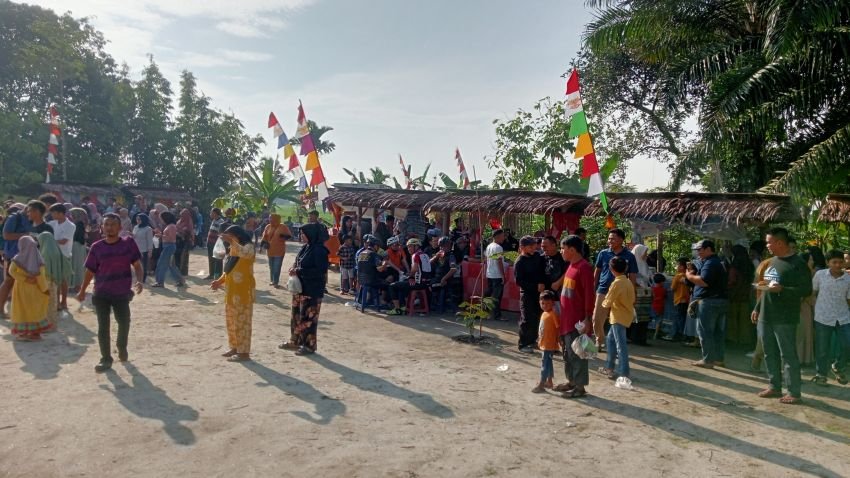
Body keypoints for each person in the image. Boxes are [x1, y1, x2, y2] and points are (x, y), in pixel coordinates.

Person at [751, 227, 812, 404]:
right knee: (769, 353)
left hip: (785, 317)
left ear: (779, 242)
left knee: (788, 354)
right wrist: (756, 307)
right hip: (766, 315)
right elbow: (766, 289)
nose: (767, 245)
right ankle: (774, 386)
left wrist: (783, 290)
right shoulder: (771, 262)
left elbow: (806, 290)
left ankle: (794, 392)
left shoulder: (798, 264)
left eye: (769, 242)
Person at [77, 213, 144, 373]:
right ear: (102, 227)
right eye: (106, 224)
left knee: (124, 322)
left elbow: (137, 265)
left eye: (113, 224)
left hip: (121, 292)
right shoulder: (96, 247)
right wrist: (82, 289)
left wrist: (140, 280)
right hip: (101, 292)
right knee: (103, 327)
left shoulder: (128, 244)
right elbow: (90, 270)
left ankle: (121, 347)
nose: (109, 227)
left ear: (120, 227)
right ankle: (105, 358)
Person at [555, 235, 594, 398]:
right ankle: (571, 381)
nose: (561, 251)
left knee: (578, 353)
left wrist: (587, 319)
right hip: (566, 318)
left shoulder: (584, 267)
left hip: (577, 321)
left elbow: (589, 295)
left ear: (572, 250)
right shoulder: (571, 266)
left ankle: (580, 387)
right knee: (567, 352)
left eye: (563, 248)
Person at [210, 226, 256, 362]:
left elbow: (244, 254)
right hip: (231, 292)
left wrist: (232, 241)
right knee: (232, 321)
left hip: (243, 292)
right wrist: (219, 281)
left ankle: (244, 353)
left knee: (243, 323)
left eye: (231, 236)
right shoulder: (233, 248)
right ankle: (235, 347)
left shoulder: (248, 247)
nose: (228, 240)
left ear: (238, 235)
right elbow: (229, 269)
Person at [685, 239, 729, 369]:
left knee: (705, 331)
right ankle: (718, 359)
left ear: (708, 249)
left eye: (700, 249)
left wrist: (689, 276)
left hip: (710, 301)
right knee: (717, 332)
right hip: (720, 300)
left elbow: (704, 281)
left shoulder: (711, 263)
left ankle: (708, 359)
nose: (698, 252)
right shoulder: (718, 262)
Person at [288, 223, 330, 355]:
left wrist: (299, 271)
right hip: (301, 288)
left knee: (308, 319)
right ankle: (295, 341)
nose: (301, 236)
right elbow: (298, 262)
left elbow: (320, 270)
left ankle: (308, 345)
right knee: (296, 316)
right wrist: (293, 268)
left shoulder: (319, 250)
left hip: (312, 290)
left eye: (303, 233)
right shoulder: (306, 248)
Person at [592, 229, 638, 348]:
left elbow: (632, 276)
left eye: (613, 238)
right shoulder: (603, 253)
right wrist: (593, 287)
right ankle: (599, 340)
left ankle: (615, 346)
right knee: (597, 319)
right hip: (602, 290)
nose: (610, 241)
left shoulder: (629, 256)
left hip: (620, 292)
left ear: (621, 240)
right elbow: (597, 271)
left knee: (618, 320)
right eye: (609, 238)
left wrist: (632, 294)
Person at [811, 249, 850, 386]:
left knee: (847, 345)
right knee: (822, 349)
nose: (838, 265)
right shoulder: (820, 275)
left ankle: (838, 367)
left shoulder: (848, 279)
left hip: (843, 317)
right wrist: (816, 309)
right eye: (834, 262)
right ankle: (821, 374)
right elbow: (813, 292)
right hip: (823, 317)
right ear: (828, 263)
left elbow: (849, 299)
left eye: (841, 262)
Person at [600, 256, 635, 380]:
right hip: (624, 315)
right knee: (610, 341)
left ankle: (624, 373)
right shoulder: (627, 281)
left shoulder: (617, 283)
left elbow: (608, 301)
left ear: (611, 269)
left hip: (618, 317)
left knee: (621, 346)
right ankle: (609, 368)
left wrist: (602, 306)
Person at [8, 236, 50, 341]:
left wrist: (24, 279)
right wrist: (45, 289)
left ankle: (26, 333)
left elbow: (11, 272)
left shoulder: (17, 258)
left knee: (22, 309)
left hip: (20, 289)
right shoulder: (38, 260)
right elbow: (41, 277)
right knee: (34, 309)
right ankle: (35, 333)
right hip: (35, 290)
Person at [515, 235, 545, 352]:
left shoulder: (537, 256)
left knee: (537, 317)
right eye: (530, 246)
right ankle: (523, 344)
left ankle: (533, 340)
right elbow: (519, 281)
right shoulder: (520, 262)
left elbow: (542, 271)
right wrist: (534, 286)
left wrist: (542, 283)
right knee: (526, 319)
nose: (534, 248)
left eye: (534, 246)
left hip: (539, 293)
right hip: (527, 294)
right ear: (522, 247)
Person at [387, 238, 432, 315]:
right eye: (408, 247)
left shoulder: (415, 255)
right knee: (403, 285)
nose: (408, 249)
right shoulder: (425, 255)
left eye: (410, 246)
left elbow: (415, 269)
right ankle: (405, 306)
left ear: (416, 246)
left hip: (418, 284)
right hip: (426, 283)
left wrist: (410, 276)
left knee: (392, 286)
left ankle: (397, 309)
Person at [0, 203, 31, 316]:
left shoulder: (33, 220)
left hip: (27, 255)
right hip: (13, 255)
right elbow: (6, 235)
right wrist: (25, 235)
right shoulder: (14, 218)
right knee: (9, 281)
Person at [37, 232, 70, 330]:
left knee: (46, 304)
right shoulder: (56, 249)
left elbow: (44, 270)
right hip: (54, 281)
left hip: (46, 281)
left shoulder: (45, 252)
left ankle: (46, 326)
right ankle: (52, 325)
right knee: (52, 303)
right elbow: (66, 266)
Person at [47, 203, 75, 310]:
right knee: (54, 280)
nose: (52, 215)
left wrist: (49, 240)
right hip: (53, 255)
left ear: (60, 213)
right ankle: (56, 302)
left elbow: (63, 241)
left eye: (53, 213)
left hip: (64, 255)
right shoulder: (52, 223)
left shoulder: (70, 225)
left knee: (63, 280)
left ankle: (64, 302)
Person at [726, 244, 755, 346]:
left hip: (735, 296)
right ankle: (745, 340)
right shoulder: (750, 264)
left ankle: (733, 339)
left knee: (733, 319)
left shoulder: (734, 265)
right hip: (746, 295)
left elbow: (732, 281)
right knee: (745, 320)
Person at [532, 290, 560, 393]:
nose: (545, 305)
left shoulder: (553, 314)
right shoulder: (544, 313)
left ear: (553, 303)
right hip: (544, 343)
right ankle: (549, 381)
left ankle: (541, 384)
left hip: (549, 344)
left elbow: (558, 328)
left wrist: (558, 340)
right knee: (548, 362)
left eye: (548, 303)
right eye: (543, 303)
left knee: (545, 363)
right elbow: (542, 328)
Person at [152, 211, 186, 288]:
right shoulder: (170, 226)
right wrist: (161, 234)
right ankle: (180, 280)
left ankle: (159, 282)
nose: (161, 220)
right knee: (171, 265)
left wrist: (160, 235)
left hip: (169, 246)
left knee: (161, 264)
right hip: (168, 246)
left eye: (162, 218)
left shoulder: (171, 226)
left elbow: (171, 238)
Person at [261, 214, 292, 288]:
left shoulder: (283, 227)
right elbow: (264, 237)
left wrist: (283, 237)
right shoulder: (268, 226)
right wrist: (262, 246)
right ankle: (272, 280)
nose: (269, 220)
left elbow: (289, 236)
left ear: (276, 219)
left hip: (279, 251)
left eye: (271, 218)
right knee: (271, 267)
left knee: (277, 267)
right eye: (269, 218)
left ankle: (276, 282)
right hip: (270, 250)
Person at [663, 258, 690, 341]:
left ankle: (676, 334)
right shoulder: (688, 275)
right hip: (686, 300)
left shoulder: (678, 276)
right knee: (682, 318)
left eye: (677, 265)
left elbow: (673, 288)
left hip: (679, 300)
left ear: (682, 267)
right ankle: (682, 334)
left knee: (677, 318)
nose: (676, 266)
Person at [430, 236, 459, 307]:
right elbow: (429, 263)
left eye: (444, 246)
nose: (442, 248)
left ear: (448, 246)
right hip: (437, 278)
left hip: (445, 280)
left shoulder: (451, 256)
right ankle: (434, 303)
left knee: (428, 286)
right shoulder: (439, 255)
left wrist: (444, 278)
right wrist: (436, 257)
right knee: (426, 282)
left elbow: (453, 269)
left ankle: (436, 304)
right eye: (441, 246)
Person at [485, 229, 507, 321]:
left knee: (490, 294)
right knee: (497, 296)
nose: (504, 238)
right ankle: (497, 315)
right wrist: (503, 275)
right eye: (502, 236)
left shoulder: (489, 246)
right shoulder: (498, 247)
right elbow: (499, 262)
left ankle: (486, 313)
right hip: (497, 274)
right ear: (497, 237)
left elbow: (486, 259)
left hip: (490, 273)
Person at [68, 207, 89, 292]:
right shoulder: (78, 223)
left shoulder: (78, 223)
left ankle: (76, 285)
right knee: (77, 265)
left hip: (77, 246)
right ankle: (75, 285)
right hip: (78, 246)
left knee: (76, 265)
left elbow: (79, 237)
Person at [204, 208, 227, 280]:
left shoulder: (221, 222)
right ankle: (211, 274)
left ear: (215, 213)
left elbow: (221, 234)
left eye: (211, 213)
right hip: (210, 243)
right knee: (211, 259)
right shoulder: (214, 220)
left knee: (218, 260)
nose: (210, 214)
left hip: (217, 244)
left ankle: (218, 276)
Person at [132, 213, 154, 283]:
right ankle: (137, 278)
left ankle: (143, 279)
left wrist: (150, 251)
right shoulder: (136, 227)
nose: (137, 220)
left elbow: (150, 240)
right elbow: (134, 236)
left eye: (139, 219)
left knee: (143, 265)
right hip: (135, 249)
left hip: (144, 250)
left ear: (143, 220)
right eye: (137, 219)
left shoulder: (148, 229)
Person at [175, 208, 194, 276]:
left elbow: (189, 232)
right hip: (178, 241)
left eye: (183, 215)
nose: (181, 216)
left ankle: (183, 272)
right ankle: (177, 270)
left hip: (186, 241)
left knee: (184, 257)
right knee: (177, 256)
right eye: (181, 215)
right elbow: (176, 228)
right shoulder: (179, 221)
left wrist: (182, 232)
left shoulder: (189, 222)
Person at [651, 273, 667, 340]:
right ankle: (656, 334)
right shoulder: (664, 290)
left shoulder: (652, 289)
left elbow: (652, 297)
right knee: (659, 321)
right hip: (660, 307)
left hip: (653, 306)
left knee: (650, 319)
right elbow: (665, 297)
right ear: (661, 282)